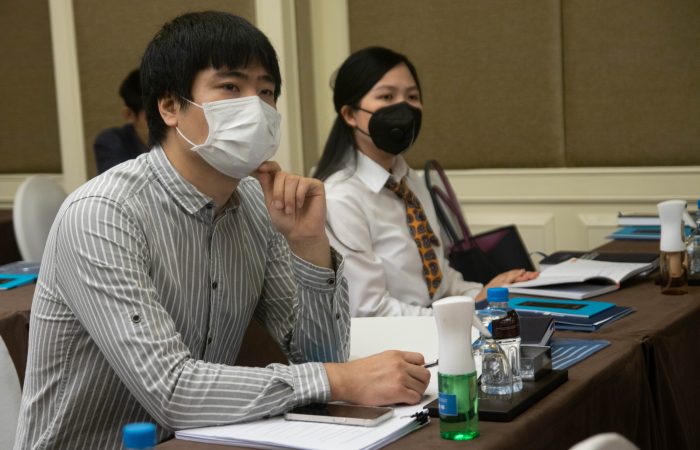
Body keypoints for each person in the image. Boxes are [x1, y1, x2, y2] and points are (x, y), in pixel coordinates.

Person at [15, 14, 430, 449]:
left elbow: (318, 357)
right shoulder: (103, 214)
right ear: (170, 106)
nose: (255, 107)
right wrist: (338, 380)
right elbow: (172, 391)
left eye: (266, 91)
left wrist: (309, 246)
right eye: (230, 87)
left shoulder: (255, 205)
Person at [315, 47, 538, 317]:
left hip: (439, 328)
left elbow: (440, 280)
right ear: (350, 114)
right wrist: (468, 312)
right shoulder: (340, 197)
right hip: (397, 338)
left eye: (412, 97)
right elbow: (370, 310)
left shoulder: (409, 180)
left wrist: (486, 294)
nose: (404, 107)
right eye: (386, 96)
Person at [93, 69, 149, 174]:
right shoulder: (111, 142)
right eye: (152, 116)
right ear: (129, 114)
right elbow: (120, 180)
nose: (165, 121)